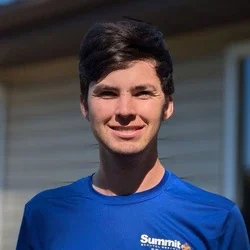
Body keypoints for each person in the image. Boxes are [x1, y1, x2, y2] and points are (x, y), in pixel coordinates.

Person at [16, 20, 249, 250]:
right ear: (84, 106)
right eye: (107, 93)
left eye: (142, 93)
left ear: (167, 105)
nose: (125, 110)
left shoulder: (217, 221)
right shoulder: (43, 216)